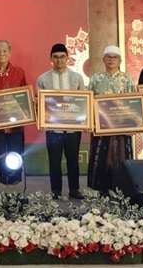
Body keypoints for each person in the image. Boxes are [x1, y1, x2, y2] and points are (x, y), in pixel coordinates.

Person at [36, 43, 86, 200]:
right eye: (56, 57)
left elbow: (83, 102)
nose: (59, 60)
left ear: (67, 58)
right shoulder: (43, 79)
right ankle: (56, 191)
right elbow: (40, 104)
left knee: (73, 160)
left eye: (62, 57)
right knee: (54, 161)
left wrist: (84, 122)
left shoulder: (77, 78)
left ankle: (74, 190)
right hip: (53, 128)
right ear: (51, 58)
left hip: (73, 128)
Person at [86, 45, 135, 193]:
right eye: (108, 57)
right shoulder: (95, 79)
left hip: (121, 128)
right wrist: (90, 122)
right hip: (101, 126)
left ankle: (123, 189)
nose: (111, 60)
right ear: (103, 59)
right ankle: (99, 189)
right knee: (100, 156)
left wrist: (134, 124)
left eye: (115, 57)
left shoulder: (127, 79)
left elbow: (133, 103)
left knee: (121, 156)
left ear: (120, 61)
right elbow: (88, 101)